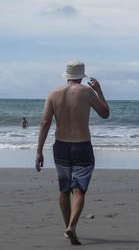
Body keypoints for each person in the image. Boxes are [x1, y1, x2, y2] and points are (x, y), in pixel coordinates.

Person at [35, 61, 109, 245]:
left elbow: (45, 123)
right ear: (81, 75)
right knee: (79, 190)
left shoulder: (53, 93)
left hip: (60, 146)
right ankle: (72, 227)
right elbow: (105, 113)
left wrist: (39, 151)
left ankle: (68, 226)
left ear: (66, 75)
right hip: (82, 146)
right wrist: (99, 90)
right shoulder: (87, 92)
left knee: (64, 189)